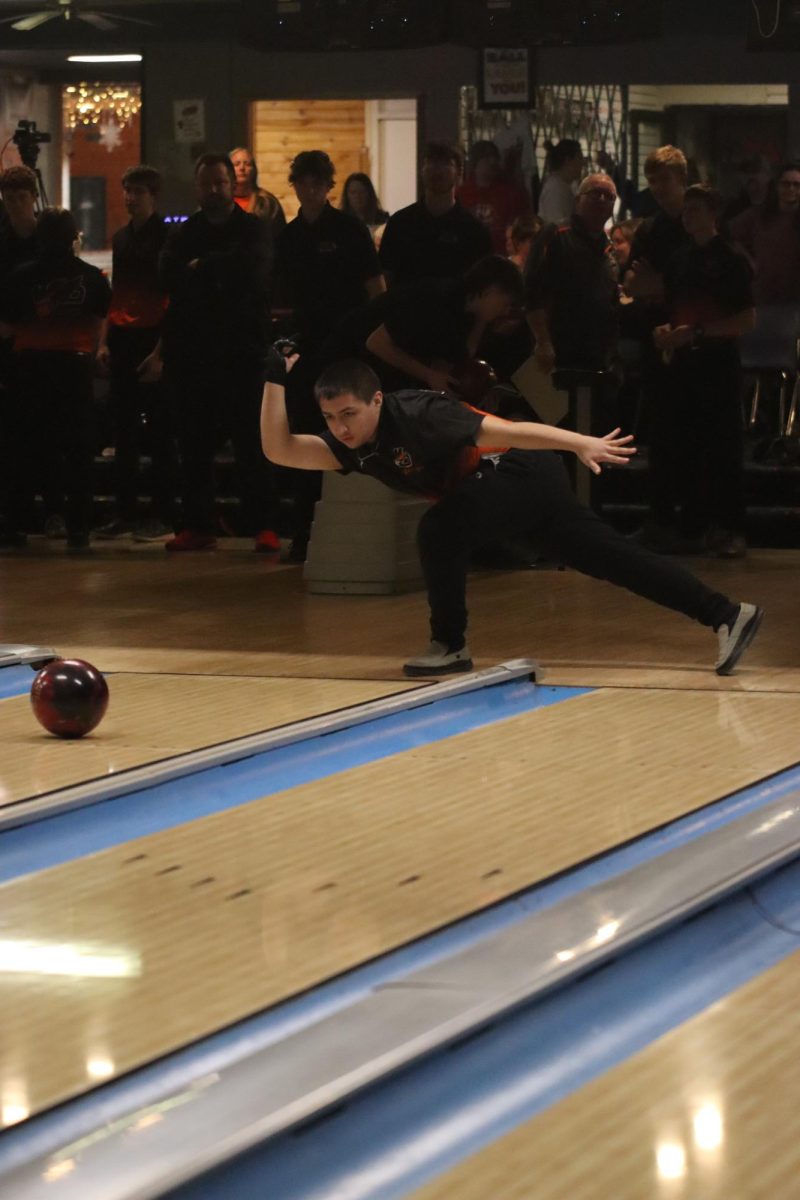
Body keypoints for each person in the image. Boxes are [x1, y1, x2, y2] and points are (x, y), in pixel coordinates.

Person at [260, 355, 763, 679]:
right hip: (517, 488)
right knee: (616, 559)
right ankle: (726, 614)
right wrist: (273, 379)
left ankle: (449, 644)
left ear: (375, 400)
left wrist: (578, 442)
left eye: (348, 414)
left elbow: (511, 429)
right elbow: (280, 449)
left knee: (439, 528)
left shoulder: (419, 415)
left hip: (517, 470)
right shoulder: (354, 448)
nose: (340, 428)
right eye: (329, 418)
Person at [159, 152, 279, 553]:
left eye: (220, 182)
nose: (214, 189)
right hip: (193, 354)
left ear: (232, 185)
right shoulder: (182, 233)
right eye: (207, 183)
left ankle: (263, 525)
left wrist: (201, 269)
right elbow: (169, 277)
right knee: (193, 445)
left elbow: (253, 273)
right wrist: (217, 271)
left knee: (251, 444)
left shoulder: (254, 228)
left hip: (243, 351)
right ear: (197, 187)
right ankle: (196, 525)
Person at [275, 148, 386, 560]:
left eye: (317, 182)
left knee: (352, 439)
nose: (309, 189)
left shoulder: (350, 230)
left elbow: (376, 291)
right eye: (302, 182)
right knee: (306, 437)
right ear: (296, 186)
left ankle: (354, 534)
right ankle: (304, 533)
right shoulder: (288, 236)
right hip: (306, 350)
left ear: (327, 186)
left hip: (347, 349)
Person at [650, 184, 755, 558]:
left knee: (722, 446)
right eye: (686, 209)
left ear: (715, 214)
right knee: (687, 445)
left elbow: (745, 318)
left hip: (717, 361)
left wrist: (697, 332)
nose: (688, 215)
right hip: (684, 363)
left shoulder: (730, 259)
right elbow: (674, 308)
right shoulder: (679, 260)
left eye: (697, 209)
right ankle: (692, 526)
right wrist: (667, 332)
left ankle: (730, 527)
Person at [0, 207, 111, 551]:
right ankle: (78, 529)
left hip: (29, 370)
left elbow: (5, 327)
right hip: (74, 370)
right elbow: (99, 320)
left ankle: (15, 526)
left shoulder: (19, 277)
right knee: (77, 452)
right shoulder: (92, 277)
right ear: (73, 237)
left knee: (23, 451)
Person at [94, 164, 175, 541]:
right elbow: (118, 293)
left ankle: (161, 512)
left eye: (138, 191)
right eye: (127, 191)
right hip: (125, 337)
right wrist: (105, 340)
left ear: (152, 196)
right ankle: (124, 511)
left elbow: (173, 297)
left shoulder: (168, 238)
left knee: (160, 430)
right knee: (122, 432)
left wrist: (161, 350)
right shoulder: (122, 238)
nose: (130, 197)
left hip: (154, 337)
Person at [364, 255, 524, 395]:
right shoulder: (437, 299)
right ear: (491, 291)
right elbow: (376, 342)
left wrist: (482, 321)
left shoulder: (468, 314)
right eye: (505, 303)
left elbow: (461, 357)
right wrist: (428, 374)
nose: (505, 311)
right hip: (358, 356)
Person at [525, 173, 619, 374]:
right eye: (595, 193)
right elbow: (532, 289)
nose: (602, 199)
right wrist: (542, 341)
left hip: (596, 358)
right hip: (557, 355)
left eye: (609, 196)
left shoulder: (609, 248)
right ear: (578, 200)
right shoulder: (555, 234)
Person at [379, 142, 492, 287]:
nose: (436, 169)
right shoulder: (400, 223)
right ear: (422, 170)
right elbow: (386, 278)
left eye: (445, 163)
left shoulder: (473, 230)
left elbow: (482, 285)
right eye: (430, 162)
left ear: (459, 172)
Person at [730, 160, 800, 308]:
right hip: (762, 299)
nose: (791, 189)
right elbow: (728, 234)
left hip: (794, 301)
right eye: (786, 184)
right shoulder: (759, 215)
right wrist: (749, 262)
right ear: (777, 186)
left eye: (796, 185)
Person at [456, 140, 532, 255]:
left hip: (501, 258)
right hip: (468, 257)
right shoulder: (461, 194)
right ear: (476, 162)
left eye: (495, 157)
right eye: (486, 157)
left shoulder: (511, 193)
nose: (493, 161)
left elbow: (521, 229)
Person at [229, 146, 286, 236]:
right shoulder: (220, 201)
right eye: (236, 164)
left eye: (247, 164)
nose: (242, 168)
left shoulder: (267, 202)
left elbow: (280, 235)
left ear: (254, 170)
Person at [537, 139, 584, 224]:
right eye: (579, 159)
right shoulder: (556, 189)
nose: (582, 164)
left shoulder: (566, 185)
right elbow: (557, 224)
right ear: (568, 161)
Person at [340, 172, 389, 240]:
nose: (357, 196)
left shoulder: (383, 219)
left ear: (369, 193)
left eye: (362, 191)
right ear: (347, 195)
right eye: (353, 192)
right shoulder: (340, 221)